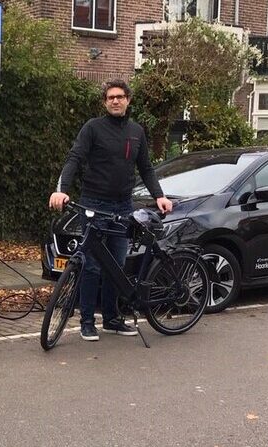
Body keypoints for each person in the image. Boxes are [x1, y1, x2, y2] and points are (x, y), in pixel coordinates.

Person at [49, 79, 174, 342]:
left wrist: (159, 196)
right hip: (94, 204)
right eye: (110, 97)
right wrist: (61, 189)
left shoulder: (136, 131)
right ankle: (86, 322)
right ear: (105, 102)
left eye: (119, 96)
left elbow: (146, 168)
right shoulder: (92, 128)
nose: (115, 101)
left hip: (122, 207)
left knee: (116, 266)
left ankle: (111, 319)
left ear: (128, 100)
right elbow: (75, 158)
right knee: (91, 265)